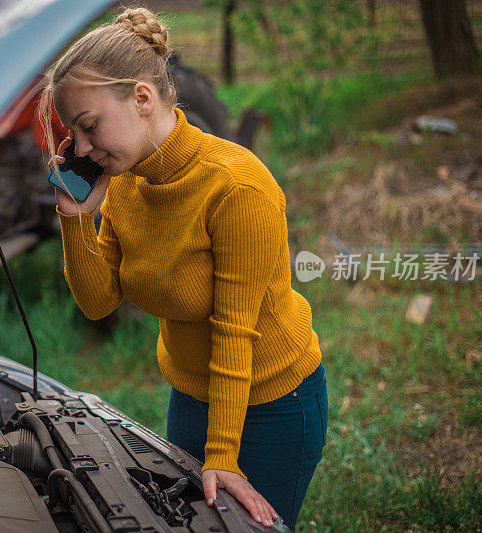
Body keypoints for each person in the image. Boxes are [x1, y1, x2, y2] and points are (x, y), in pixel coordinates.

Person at [39, 7, 328, 529]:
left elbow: (235, 330)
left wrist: (223, 454)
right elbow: (98, 302)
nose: (79, 149)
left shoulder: (238, 187)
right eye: (73, 136)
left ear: (142, 99)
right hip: (191, 394)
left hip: (270, 401)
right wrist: (75, 217)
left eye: (88, 127)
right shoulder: (124, 183)